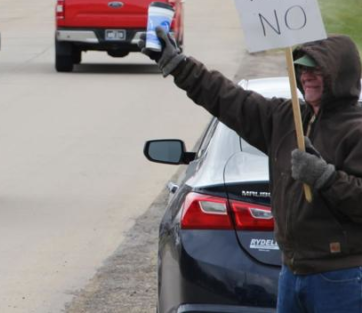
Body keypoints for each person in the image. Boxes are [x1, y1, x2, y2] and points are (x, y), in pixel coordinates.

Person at [141, 28, 362, 313]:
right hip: (292, 273)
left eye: (317, 70)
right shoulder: (286, 118)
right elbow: (229, 99)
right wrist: (178, 66)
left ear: (338, 76)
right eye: (302, 69)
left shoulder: (355, 131)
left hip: (339, 277)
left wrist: (325, 177)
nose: (306, 76)